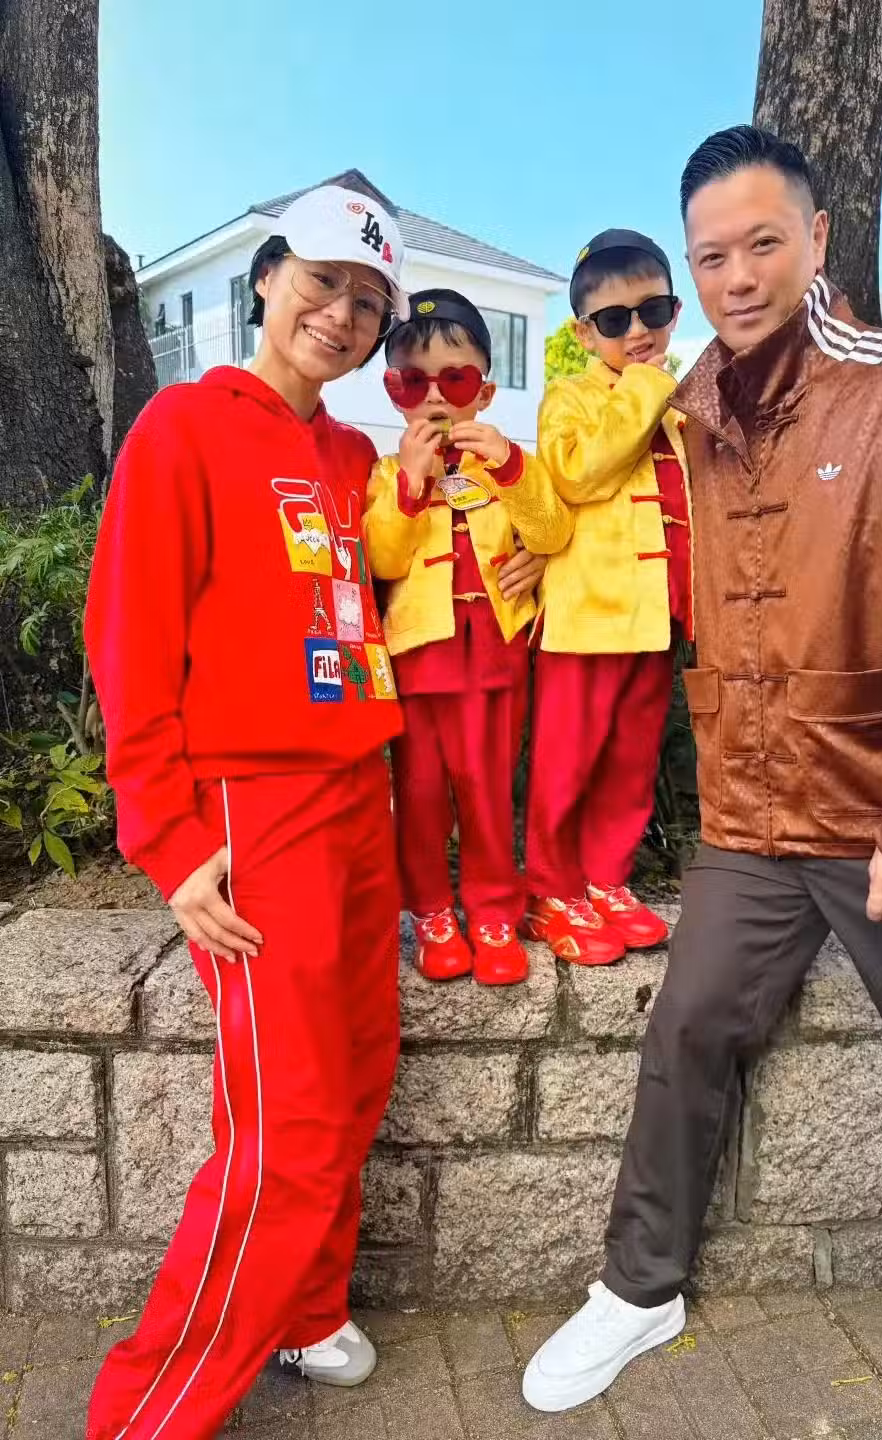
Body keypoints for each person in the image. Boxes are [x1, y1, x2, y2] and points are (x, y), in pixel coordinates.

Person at [524, 127, 882, 1426]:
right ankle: (639, 1287)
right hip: (753, 816)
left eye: (763, 243)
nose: (737, 277)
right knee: (688, 1030)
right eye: (711, 256)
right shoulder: (692, 408)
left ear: (818, 239)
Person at [85, 185, 411, 1440]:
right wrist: (170, 841)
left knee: (357, 1074)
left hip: (359, 794)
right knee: (286, 1125)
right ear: (268, 277)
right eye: (323, 282)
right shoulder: (183, 427)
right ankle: (148, 1413)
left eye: (369, 302)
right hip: (255, 806)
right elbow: (128, 638)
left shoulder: (353, 458)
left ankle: (305, 1310)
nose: (342, 314)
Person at [366, 289, 572, 984]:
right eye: (412, 382)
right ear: (393, 392)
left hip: (493, 660)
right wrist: (410, 486)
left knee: (486, 794)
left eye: (453, 381)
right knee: (421, 798)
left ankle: (492, 913)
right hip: (418, 663)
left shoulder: (507, 466)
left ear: (482, 393)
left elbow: (551, 531)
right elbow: (383, 559)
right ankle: (430, 912)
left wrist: (512, 469)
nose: (433, 397)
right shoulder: (386, 474)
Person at [524, 229, 692, 965]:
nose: (638, 331)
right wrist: (645, 390)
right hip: (587, 621)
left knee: (629, 761)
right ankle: (550, 891)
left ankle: (605, 880)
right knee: (568, 761)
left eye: (653, 311)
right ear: (583, 333)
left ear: (675, 310)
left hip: (655, 618)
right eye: (615, 319)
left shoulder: (681, 411)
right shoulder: (570, 399)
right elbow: (577, 474)